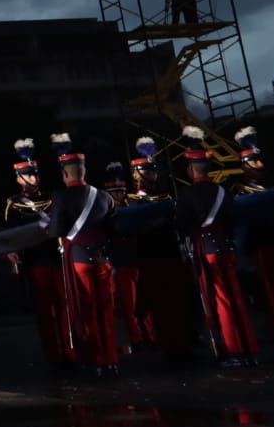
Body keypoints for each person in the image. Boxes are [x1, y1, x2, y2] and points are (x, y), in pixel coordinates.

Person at [175, 127, 258, 365]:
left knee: (220, 301)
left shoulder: (187, 194)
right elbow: (234, 219)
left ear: (191, 169)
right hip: (226, 247)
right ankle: (249, 348)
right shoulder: (223, 191)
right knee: (237, 298)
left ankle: (232, 350)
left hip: (206, 250)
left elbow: (182, 224)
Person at [47, 134, 120, 377]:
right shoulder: (104, 196)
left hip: (79, 258)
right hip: (103, 257)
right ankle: (111, 359)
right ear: (83, 170)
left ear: (65, 173)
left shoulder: (61, 196)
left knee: (86, 310)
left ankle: (96, 360)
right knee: (106, 310)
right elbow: (112, 229)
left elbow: (56, 230)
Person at [6, 138, 78, 373]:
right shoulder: (14, 204)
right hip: (36, 262)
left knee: (66, 308)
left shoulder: (54, 196)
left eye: (35, 174)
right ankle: (53, 355)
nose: (34, 179)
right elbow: (12, 235)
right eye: (28, 175)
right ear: (19, 178)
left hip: (57, 259)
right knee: (45, 313)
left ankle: (71, 352)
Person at [124, 135, 195, 361]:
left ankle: (183, 344)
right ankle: (165, 345)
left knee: (177, 304)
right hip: (147, 257)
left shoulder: (166, 197)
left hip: (170, 255)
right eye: (145, 171)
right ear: (135, 174)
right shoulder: (131, 200)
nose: (151, 175)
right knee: (157, 307)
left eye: (153, 170)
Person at [235, 127, 274, 352]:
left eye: (259, 161)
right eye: (254, 162)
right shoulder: (241, 192)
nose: (259, 165)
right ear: (245, 166)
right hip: (262, 251)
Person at [104, 162, 154, 352]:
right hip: (121, 263)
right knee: (127, 305)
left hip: (136, 260)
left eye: (121, 191)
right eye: (115, 192)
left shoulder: (133, 208)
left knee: (143, 303)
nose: (119, 195)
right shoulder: (106, 213)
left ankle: (147, 335)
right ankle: (137, 338)